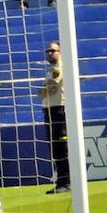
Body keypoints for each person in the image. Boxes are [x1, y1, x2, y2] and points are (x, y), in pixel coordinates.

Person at [36, 42, 70, 193]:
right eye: (48, 51)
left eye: (53, 51)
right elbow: (41, 92)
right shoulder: (51, 71)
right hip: (50, 111)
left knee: (60, 148)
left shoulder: (59, 69)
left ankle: (66, 181)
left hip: (58, 111)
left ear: (60, 52)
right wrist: (44, 90)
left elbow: (49, 88)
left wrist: (44, 90)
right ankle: (61, 181)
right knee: (55, 148)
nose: (49, 54)